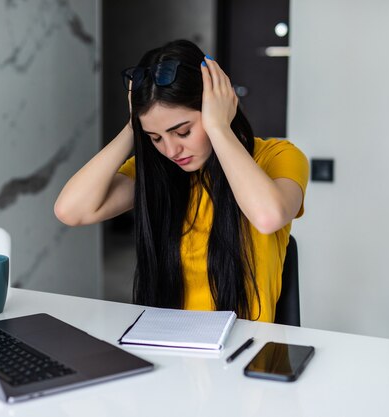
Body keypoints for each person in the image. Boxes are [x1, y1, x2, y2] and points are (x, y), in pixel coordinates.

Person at [54, 39, 308, 322]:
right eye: (156, 138)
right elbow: (71, 210)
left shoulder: (278, 157)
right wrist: (133, 128)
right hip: (168, 345)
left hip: (245, 351)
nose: (171, 150)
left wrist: (219, 128)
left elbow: (268, 217)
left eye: (183, 131)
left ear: (217, 108)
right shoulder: (157, 169)